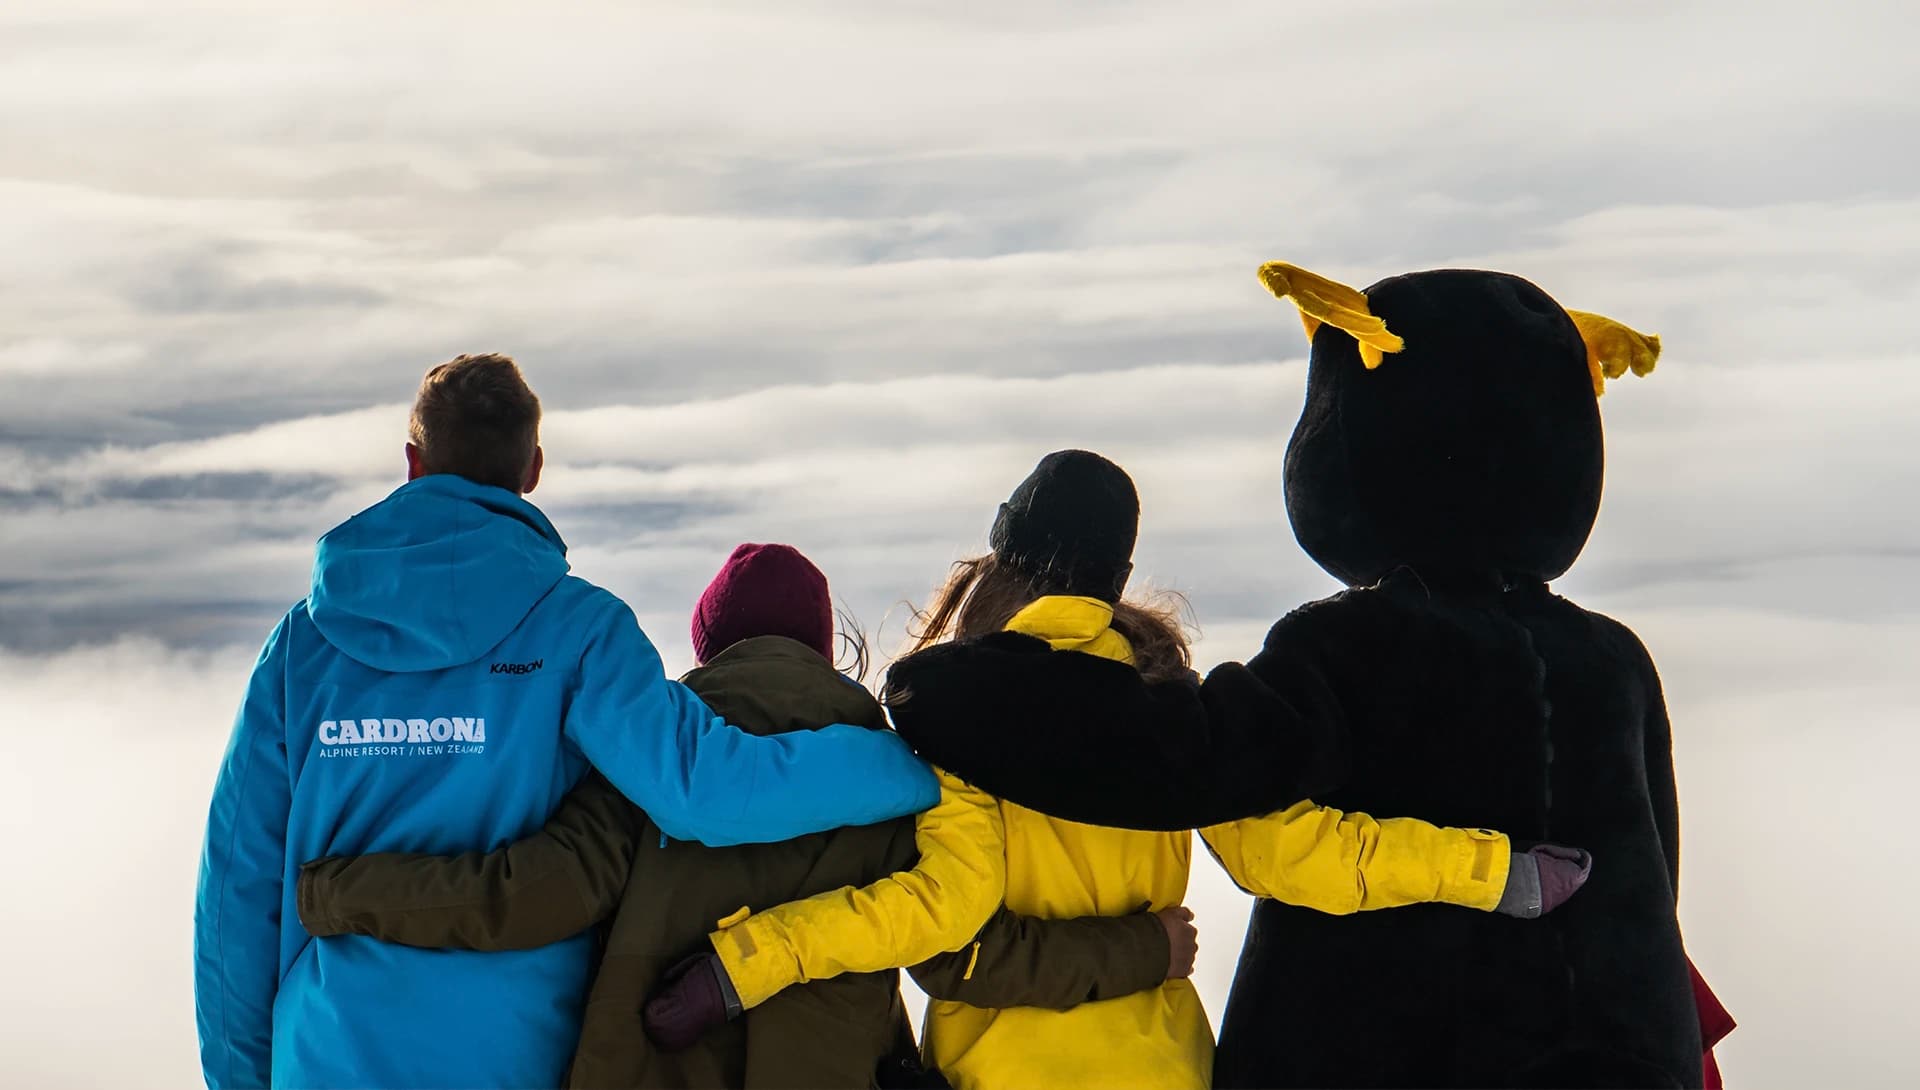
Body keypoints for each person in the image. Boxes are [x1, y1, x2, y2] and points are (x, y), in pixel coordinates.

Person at [645, 450, 1590, 1090]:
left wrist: (738, 968)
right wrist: (1496, 872)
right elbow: (1298, 856)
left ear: (1003, 565)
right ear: (1117, 578)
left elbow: (939, 913)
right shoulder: (1182, 721)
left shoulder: (961, 717)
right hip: (1163, 1068)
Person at [192, 356, 939, 1090]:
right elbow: (702, 790)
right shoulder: (581, 630)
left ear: (413, 462)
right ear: (533, 467)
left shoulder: (302, 646)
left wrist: (240, 1077)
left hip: (328, 1051)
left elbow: (237, 889)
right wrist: (910, 763)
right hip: (517, 1055)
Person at [290, 541, 1187, 1089]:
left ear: (708, 645)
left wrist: (339, 893)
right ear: (823, 644)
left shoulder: (644, 764)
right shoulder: (902, 772)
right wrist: (1146, 948)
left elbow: (528, 894)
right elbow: (966, 955)